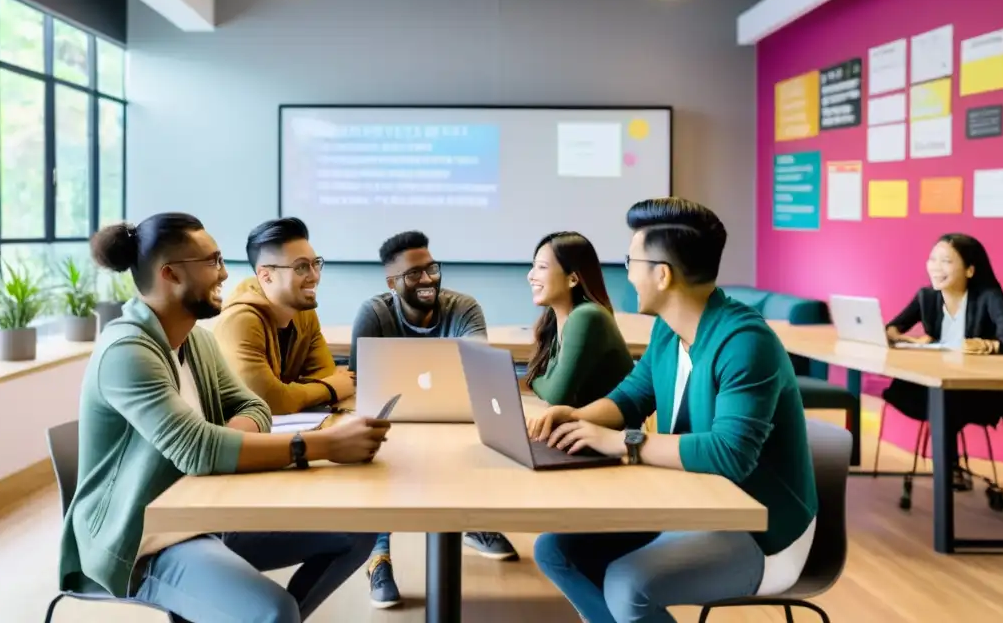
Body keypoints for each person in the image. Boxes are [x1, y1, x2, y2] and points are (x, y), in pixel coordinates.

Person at [59, 213, 389, 623]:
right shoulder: (126, 352)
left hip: (206, 514)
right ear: (170, 275)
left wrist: (220, 444)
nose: (224, 273)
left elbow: (255, 408)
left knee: (355, 531)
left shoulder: (196, 339)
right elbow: (199, 450)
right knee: (274, 610)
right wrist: (323, 446)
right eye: (213, 261)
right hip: (145, 540)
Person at [527, 197, 818, 623]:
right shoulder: (668, 329)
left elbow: (730, 455)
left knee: (627, 584)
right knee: (555, 551)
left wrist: (623, 442)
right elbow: (630, 397)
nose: (626, 272)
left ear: (661, 275)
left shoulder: (744, 342)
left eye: (630, 260)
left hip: (761, 529)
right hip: (692, 499)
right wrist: (577, 415)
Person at [349, 230, 518, 608]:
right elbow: (361, 386)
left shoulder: (464, 307)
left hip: (455, 417)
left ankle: (468, 523)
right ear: (392, 283)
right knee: (376, 450)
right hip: (390, 420)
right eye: (414, 274)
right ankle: (378, 552)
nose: (427, 279)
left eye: (432, 269)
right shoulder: (374, 312)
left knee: (471, 444)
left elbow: (477, 373)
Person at [884, 233, 1003, 487]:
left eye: (946, 261)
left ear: (970, 270)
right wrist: (914, 341)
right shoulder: (927, 297)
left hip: (979, 391)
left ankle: (949, 467)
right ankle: (949, 468)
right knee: (934, 396)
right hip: (933, 388)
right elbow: (892, 329)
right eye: (933, 259)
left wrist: (989, 345)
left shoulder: (989, 297)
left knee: (947, 402)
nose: (936, 267)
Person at [214, 217, 355, 414]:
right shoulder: (240, 321)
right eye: (301, 267)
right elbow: (268, 400)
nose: (314, 276)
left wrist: (299, 393)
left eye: (315, 264)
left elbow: (325, 374)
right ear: (266, 276)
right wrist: (331, 388)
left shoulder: (304, 313)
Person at [524, 231, 634, 407]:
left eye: (542, 267)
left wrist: (535, 379)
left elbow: (556, 396)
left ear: (573, 279)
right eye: (533, 266)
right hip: (586, 427)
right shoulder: (554, 318)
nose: (530, 275)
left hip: (613, 433)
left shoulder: (586, 316)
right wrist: (538, 379)